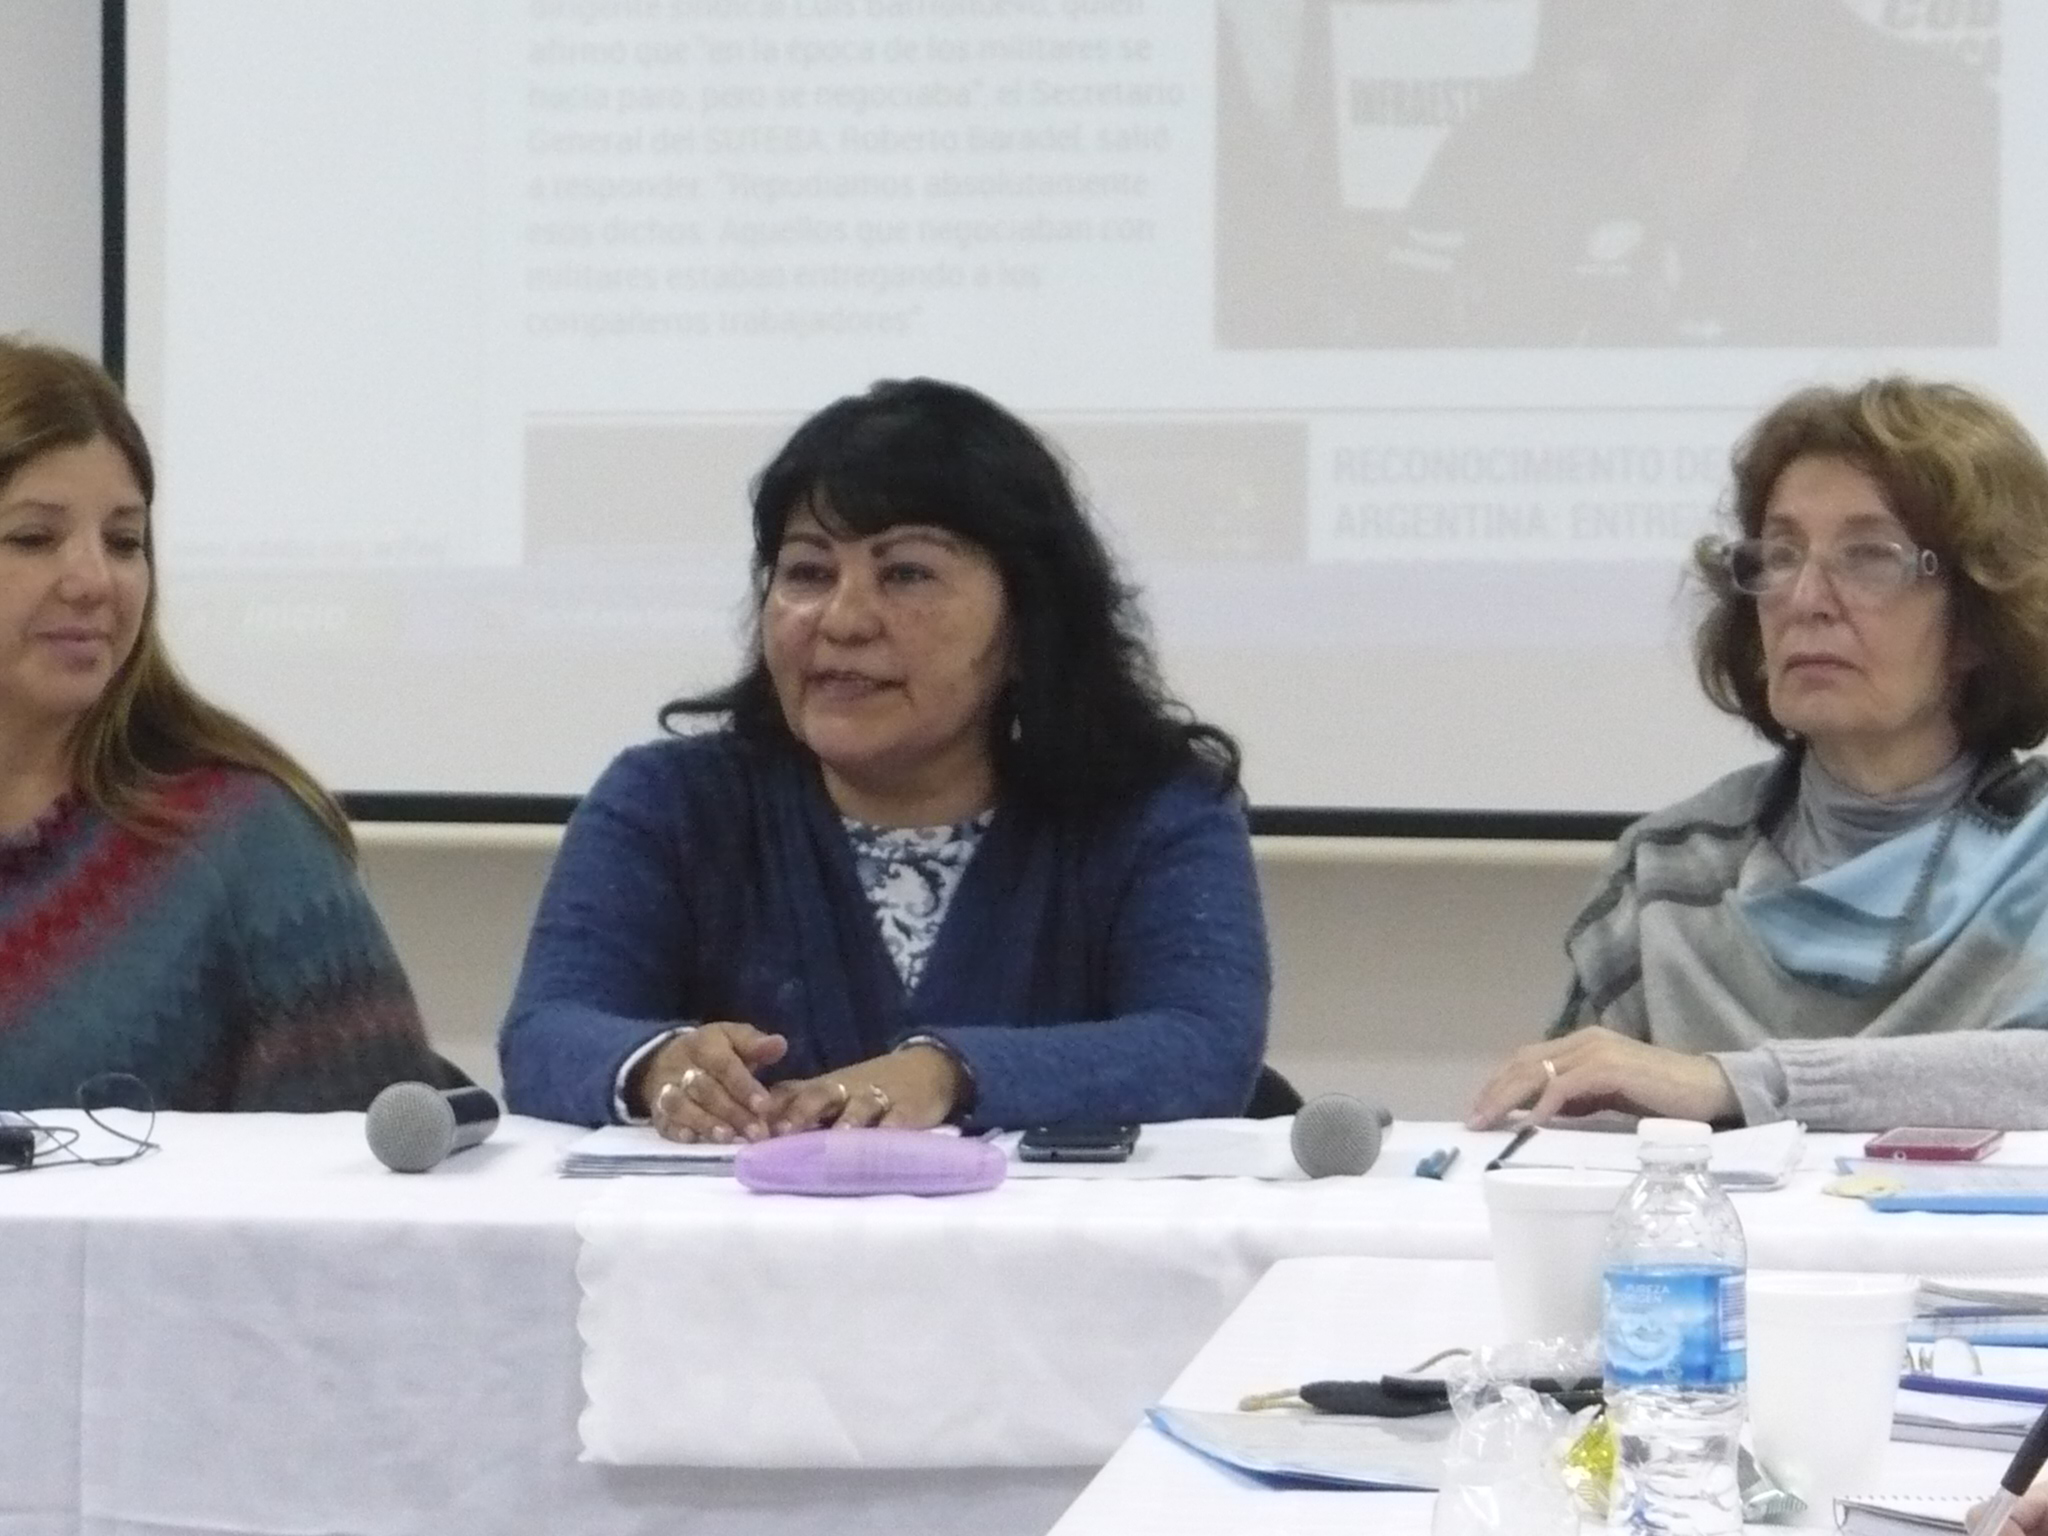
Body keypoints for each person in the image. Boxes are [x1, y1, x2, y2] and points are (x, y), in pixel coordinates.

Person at [500, 378, 1270, 1137]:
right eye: (808, 572)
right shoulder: (671, 801)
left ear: (1029, 622)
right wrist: (657, 1064)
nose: (843, 619)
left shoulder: (1154, 811)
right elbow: (546, 1032)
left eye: (906, 574)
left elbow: (1204, 1048)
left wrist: (946, 1074)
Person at [1470, 377, 2048, 1133]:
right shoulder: (1673, 872)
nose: (1805, 598)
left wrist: (1736, 1084)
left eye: (1868, 557)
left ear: (1979, 614)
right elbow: (1568, 1143)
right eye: (1780, 555)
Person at [0, 337, 460, 1111]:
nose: (95, 581)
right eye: (34, 538)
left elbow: (361, 1165)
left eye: (124, 541)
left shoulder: (243, 839)